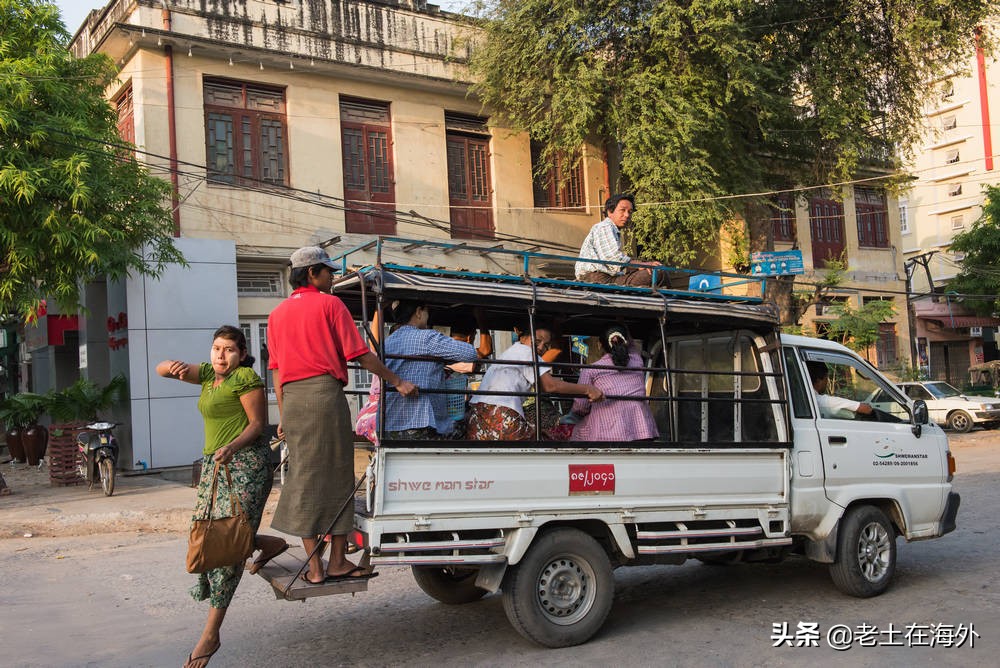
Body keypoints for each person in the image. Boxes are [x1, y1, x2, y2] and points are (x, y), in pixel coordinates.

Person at [267, 246, 417, 586]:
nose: (332, 277)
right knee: (336, 477)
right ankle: (334, 563)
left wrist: (285, 414)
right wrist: (397, 381)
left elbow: (276, 372)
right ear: (311, 274)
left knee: (303, 477)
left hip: (292, 401)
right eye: (328, 272)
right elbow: (360, 355)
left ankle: (315, 567)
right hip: (322, 396)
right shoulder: (330, 305)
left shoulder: (276, 314)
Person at [156, 325, 288, 668]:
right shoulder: (205, 374)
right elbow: (161, 368)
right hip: (216, 464)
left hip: (245, 464)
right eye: (217, 348)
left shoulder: (244, 377)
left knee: (227, 547)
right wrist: (169, 366)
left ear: (242, 354)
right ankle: (265, 544)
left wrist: (231, 446)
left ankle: (211, 634)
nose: (221, 354)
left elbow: (258, 424)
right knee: (205, 533)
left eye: (229, 349)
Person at [467, 325, 605, 440]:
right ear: (523, 337)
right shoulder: (527, 352)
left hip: (478, 416)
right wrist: (588, 389)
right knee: (548, 441)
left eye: (546, 345)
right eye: (537, 341)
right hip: (502, 415)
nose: (540, 347)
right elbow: (550, 386)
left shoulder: (512, 351)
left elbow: (544, 386)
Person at [383, 301, 479, 439]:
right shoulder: (426, 338)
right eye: (427, 312)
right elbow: (470, 354)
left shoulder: (388, 342)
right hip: (420, 423)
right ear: (418, 312)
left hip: (389, 425)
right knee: (466, 425)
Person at [570, 326, 658, 442]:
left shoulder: (590, 370)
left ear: (599, 345)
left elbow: (580, 407)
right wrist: (622, 322)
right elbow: (631, 345)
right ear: (624, 342)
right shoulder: (637, 360)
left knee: (575, 428)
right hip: (642, 430)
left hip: (607, 433)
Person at [575, 194, 664, 286]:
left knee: (655, 270)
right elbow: (613, 258)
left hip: (610, 277)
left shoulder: (613, 230)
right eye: (622, 210)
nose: (627, 215)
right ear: (610, 212)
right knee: (658, 272)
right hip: (598, 278)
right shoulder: (605, 227)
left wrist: (640, 265)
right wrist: (640, 265)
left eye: (630, 212)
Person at [807, 361, 874, 419]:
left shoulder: (806, 400)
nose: (827, 382)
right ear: (819, 381)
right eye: (826, 379)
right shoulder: (822, 401)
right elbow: (866, 409)